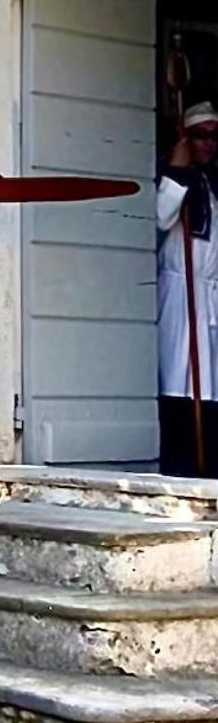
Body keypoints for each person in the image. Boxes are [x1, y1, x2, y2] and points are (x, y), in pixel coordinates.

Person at [157, 100, 218, 477]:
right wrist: (178, 172)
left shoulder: (212, 183)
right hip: (181, 291)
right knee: (180, 373)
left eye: (215, 137)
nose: (209, 144)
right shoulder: (173, 175)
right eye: (201, 136)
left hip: (209, 291)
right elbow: (161, 216)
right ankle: (183, 460)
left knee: (209, 381)